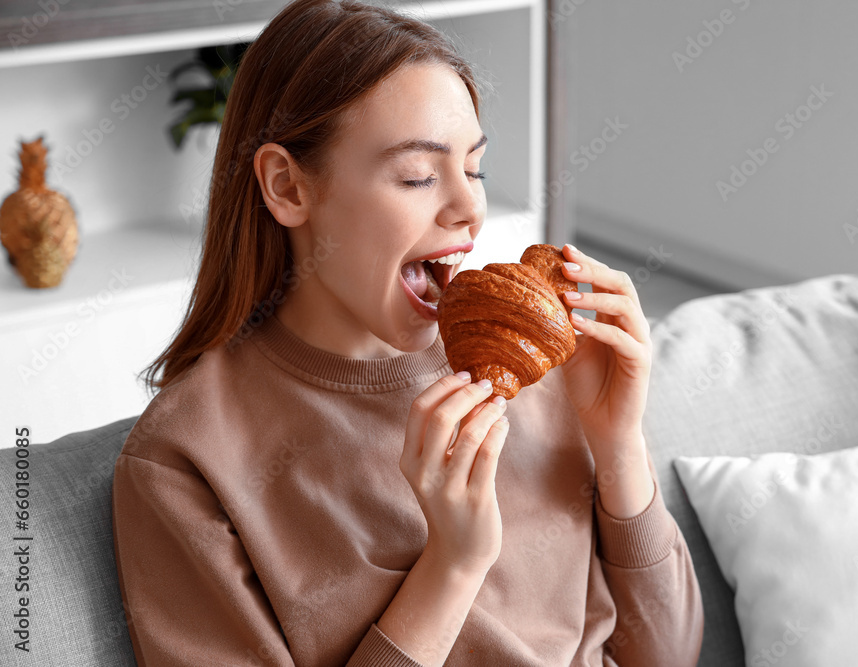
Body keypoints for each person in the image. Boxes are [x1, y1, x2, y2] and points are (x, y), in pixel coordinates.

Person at [110, 1, 704, 665]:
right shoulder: (185, 458)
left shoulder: (539, 362)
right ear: (288, 186)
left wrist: (618, 444)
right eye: (419, 175)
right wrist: (453, 565)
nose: (469, 206)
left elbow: (670, 654)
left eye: (473, 168)